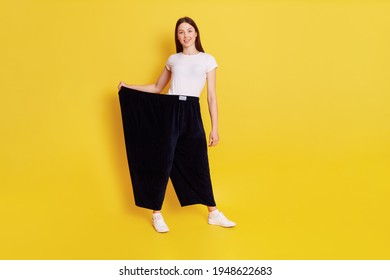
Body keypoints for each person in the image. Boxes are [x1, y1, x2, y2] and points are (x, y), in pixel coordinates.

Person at [118, 17, 235, 233]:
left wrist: (215, 128)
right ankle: (156, 213)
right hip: (169, 111)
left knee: (198, 161)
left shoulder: (208, 60)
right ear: (177, 36)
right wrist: (129, 87)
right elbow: (156, 87)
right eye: (181, 32)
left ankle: (213, 213)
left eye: (189, 31)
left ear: (196, 33)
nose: (186, 35)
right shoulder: (173, 59)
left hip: (192, 111)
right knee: (163, 161)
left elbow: (211, 96)